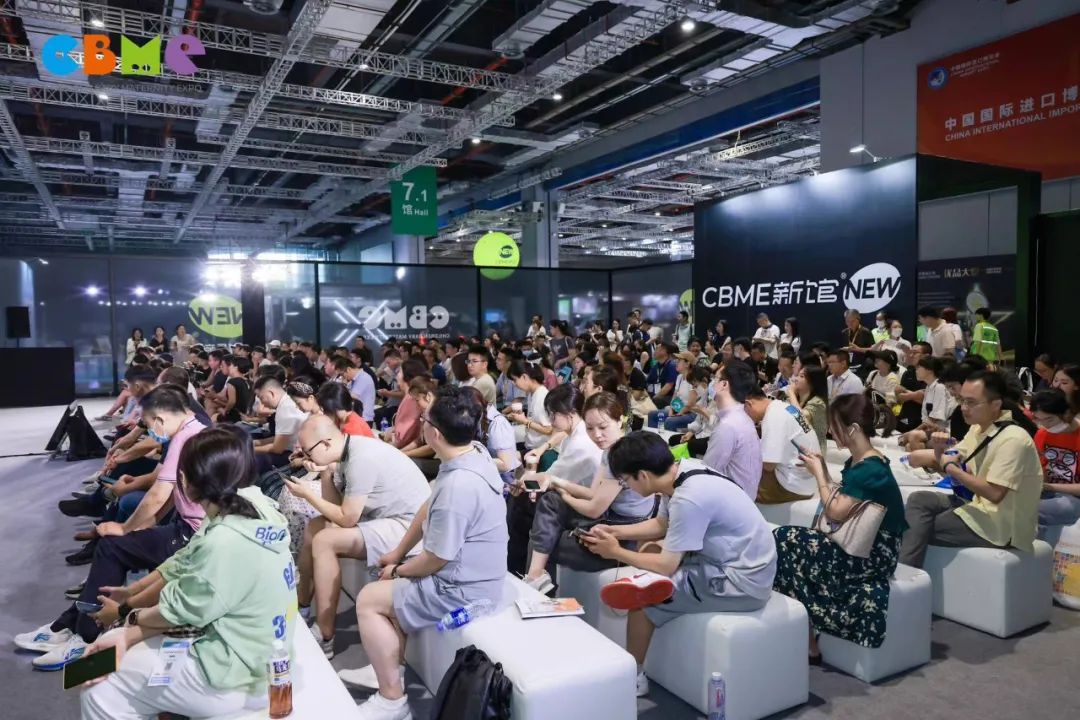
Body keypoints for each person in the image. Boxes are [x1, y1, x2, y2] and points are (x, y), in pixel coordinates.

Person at [76, 426, 296, 720]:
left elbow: (180, 610)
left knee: (98, 686)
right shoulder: (253, 504)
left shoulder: (224, 540)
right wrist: (130, 605)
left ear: (185, 480)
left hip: (236, 675)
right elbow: (184, 566)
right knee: (122, 647)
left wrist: (126, 617)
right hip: (257, 652)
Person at [342, 387, 509, 718]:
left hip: (464, 590)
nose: (422, 424)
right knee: (389, 581)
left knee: (369, 599)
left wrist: (398, 570)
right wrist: (397, 552)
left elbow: (436, 559)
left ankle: (392, 699)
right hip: (473, 571)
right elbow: (428, 506)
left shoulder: (459, 486)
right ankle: (387, 666)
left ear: (434, 433)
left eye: (424, 420)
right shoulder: (474, 453)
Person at [16, 385, 207, 670]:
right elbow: (171, 495)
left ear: (160, 419)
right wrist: (143, 525)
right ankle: (70, 623)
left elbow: (158, 494)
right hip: (188, 527)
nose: (150, 432)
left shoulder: (185, 438)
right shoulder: (193, 431)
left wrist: (126, 528)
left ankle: (86, 635)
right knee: (115, 545)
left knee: (112, 546)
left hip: (193, 535)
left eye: (149, 425)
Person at [581, 431, 776, 698]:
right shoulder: (684, 471)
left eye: (626, 481)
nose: (627, 487)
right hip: (737, 563)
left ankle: (634, 677)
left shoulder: (689, 497)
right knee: (649, 551)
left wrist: (615, 552)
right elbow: (663, 524)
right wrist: (615, 532)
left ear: (643, 476)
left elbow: (666, 566)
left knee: (642, 596)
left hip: (740, 581)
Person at [773, 394, 908, 660]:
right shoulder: (862, 461)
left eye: (835, 426)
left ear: (853, 429)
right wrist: (821, 468)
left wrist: (819, 473)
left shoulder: (870, 468)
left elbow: (835, 511)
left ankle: (806, 631)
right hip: (866, 544)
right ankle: (806, 632)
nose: (831, 432)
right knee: (786, 541)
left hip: (874, 553)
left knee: (785, 539)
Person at [289, 415, 431, 659]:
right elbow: (335, 510)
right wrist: (325, 475)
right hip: (387, 519)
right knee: (315, 527)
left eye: (307, 451)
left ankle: (325, 635)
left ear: (325, 443)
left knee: (324, 541)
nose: (305, 457)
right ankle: (302, 607)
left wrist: (307, 495)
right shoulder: (347, 452)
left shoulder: (360, 458)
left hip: (409, 528)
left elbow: (346, 519)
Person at [899, 370, 1043, 568]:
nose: (964, 408)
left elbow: (994, 493)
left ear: (996, 404)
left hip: (1002, 524)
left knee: (916, 526)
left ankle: (906, 575)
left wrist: (950, 467)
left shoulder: (1014, 439)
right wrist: (940, 452)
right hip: (977, 505)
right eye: (962, 400)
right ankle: (908, 573)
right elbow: (953, 457)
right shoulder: (978, 428)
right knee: (919, 500)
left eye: (971, 402)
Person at [521, 392, 657, 594]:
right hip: (611, 520)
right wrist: (556, 482)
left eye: (603, 427)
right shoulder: (610, 450)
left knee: (545, 538)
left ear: (620, 420)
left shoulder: (621, 455)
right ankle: (535, 580)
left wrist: (564, 493)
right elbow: (593, 493)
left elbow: (594, 509)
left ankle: (535, 586)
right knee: (549, 505)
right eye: (590, 428)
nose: (597, 435)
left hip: (621, 532)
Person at [743, 385, 821, 504]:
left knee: (739, 481)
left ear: (748, 404)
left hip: (793, 486)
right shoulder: (784, 407)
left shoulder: (773, 416)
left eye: (743, 412)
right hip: (808, 480)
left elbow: (769, 465)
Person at [699, 361, 763, 498]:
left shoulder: (728, 426)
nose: (712, 383)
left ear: (724, 384)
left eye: (715, 378)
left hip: (731, 501)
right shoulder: (742, 417)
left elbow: (708, 472)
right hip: (741, 497)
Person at [1030, 390, 1080, 541]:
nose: (1045, 425)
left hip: (1073, 497)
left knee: (1031, 510)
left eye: (1049, 419)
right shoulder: (1042, 434)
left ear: (1067, 413)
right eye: (1039, 419)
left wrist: (1049, 487)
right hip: (1047, 490)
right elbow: (1040, 469)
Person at [251, 376, 309, 472]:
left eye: (261, 398)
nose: (262, 403)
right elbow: (281, 438)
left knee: (252, 459)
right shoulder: (287, 402)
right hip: (297, 450)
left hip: (297, 455)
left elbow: (277, 448)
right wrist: (256, 443)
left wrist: (250, 449)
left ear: (271, 393)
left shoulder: (285, 409)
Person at [506, 360, 554, 454]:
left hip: (540, 449)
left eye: (515, 380)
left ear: (524, 377)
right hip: (531, 443)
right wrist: (520, 418)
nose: (514, 384)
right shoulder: (532, 394)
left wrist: (525, 421)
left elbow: (548, 429)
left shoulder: (542, 397)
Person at [785, 364, 829, 452]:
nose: (796, 379)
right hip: (796, 446)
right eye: (797, 375)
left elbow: (800, 418)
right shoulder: (796, 400)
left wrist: (791, 393)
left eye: (801, 376)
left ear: (813, 382)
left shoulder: (818, 403)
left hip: (814, 450)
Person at [894, 342, 931, 434]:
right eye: (911, 352)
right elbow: (899, 397)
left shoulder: (931, 375)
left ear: (926, 356)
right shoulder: (908, 373)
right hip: (904, 417)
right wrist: (915, 395)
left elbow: (926, 399)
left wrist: (906, 393)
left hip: (922, 422)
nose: (911, 355)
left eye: (915, 353)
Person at [336, 357, 376, 423]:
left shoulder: (363, 378)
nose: (342, 377)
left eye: (342, 374)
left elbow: (351, 397)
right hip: (359, 417)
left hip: (364, 419)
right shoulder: (354, 379)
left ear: (348, 369)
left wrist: (343, 386)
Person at [645, 341, 678, 408]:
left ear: (664, 351)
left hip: (670, 397)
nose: (654, 351)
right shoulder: (655, 366)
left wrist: (652, 398)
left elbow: (669, 386)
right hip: (656, 395)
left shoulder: (672, 365)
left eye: (657, 349)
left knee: (656, 401)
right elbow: (647, 383)